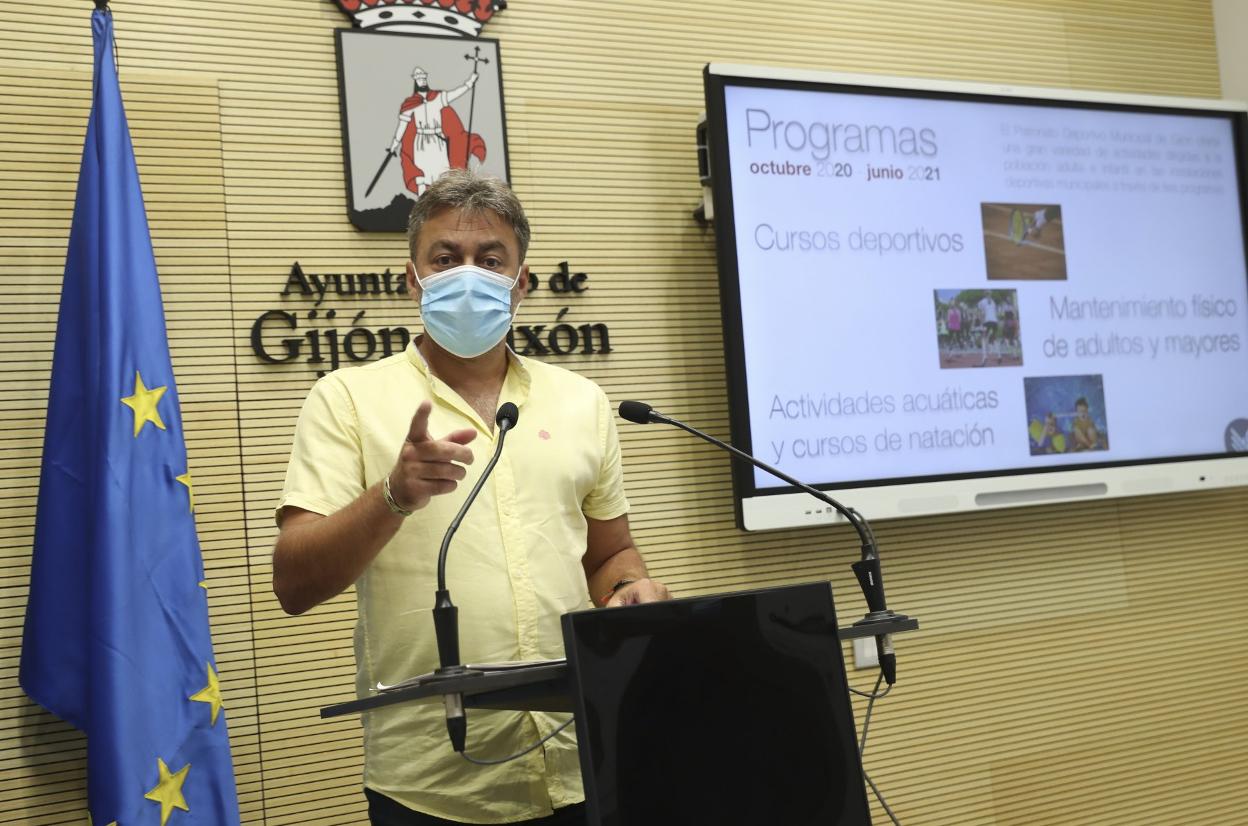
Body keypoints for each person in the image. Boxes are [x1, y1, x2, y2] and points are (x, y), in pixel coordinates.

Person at [273, 169, 670, 825]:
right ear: (412, 279)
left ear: (521, 284)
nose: (468, 274)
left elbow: (611, 554)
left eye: (490, 261)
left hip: (580, 760)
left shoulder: (582, 402)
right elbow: (295, 581)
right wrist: (394, 496)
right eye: (445, 258)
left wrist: (630, 589)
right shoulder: (347, 400)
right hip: (431, 785)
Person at [389, 67, 487, 197]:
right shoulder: (410, 104)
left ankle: (443, 206)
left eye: (423, 78)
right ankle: (423, 207)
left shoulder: (437, 98)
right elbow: (402, 126)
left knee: (441, 175)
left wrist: (470, 82)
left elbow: (456, 93)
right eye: (419, 79)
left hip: (437, 141)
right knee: (423, 177)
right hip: (421, 143)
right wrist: (394, 145)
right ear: (415, 81)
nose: (422, 81)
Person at [977, 293, 1000, 366]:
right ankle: (999, 355)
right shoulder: (993, 302)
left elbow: (981, 313)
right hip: (994, 322)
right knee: (994, 339)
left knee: (983, 339)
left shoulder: (981, 302)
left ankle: (984, 357)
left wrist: (981, 324)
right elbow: (996, 313)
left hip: (987, 321)